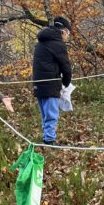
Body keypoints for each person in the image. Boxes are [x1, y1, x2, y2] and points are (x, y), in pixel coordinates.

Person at [31, 16, 72, 145]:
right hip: (50, 84)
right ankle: (49, 140)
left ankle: (46, 137)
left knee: (45, 114)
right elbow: (66, 67)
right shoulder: (58, 44)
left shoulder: (41, 42)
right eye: (68, 34)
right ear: (63, 31)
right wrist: (66, 83)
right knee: (51, 114)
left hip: (38, 84)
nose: (67, 37)